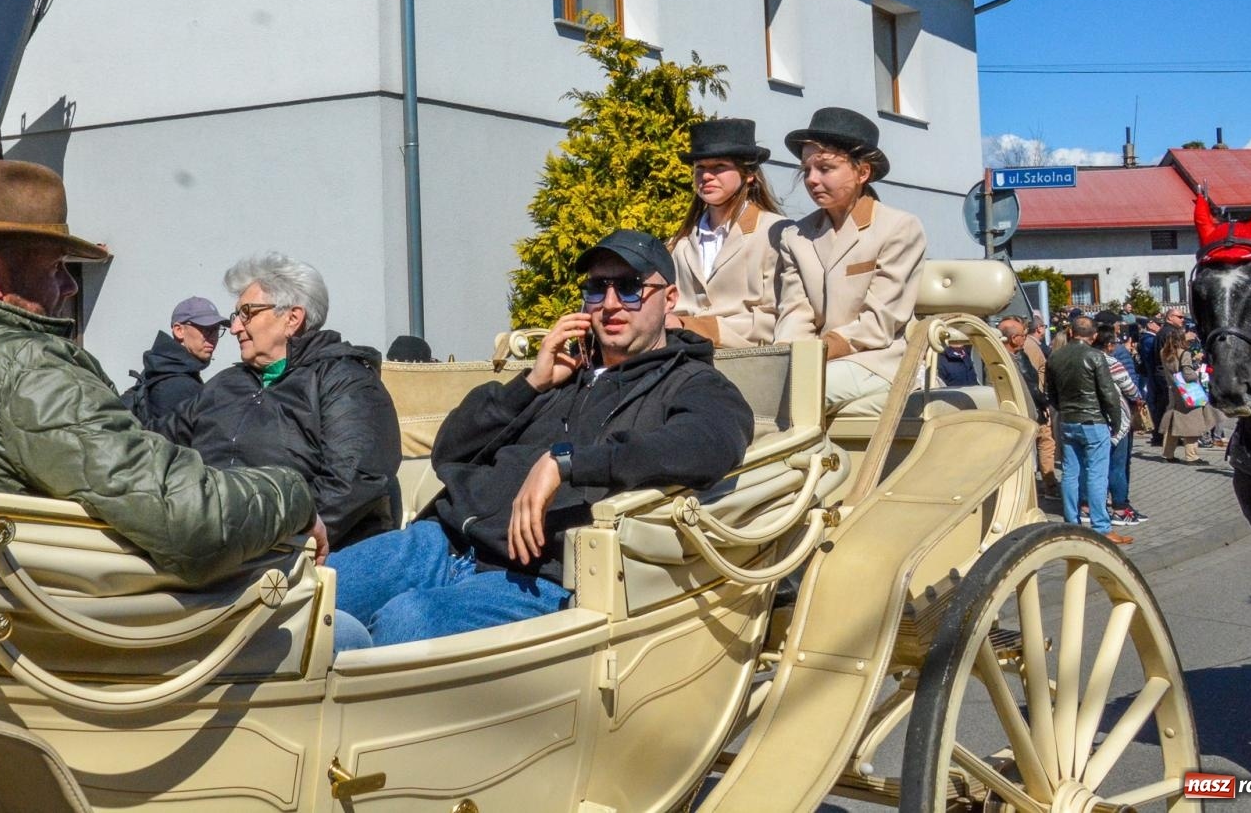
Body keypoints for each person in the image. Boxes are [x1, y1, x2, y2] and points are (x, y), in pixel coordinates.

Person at [0, 160, 328, 587]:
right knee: (350, 618)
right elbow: (188, 520)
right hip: (64, 642)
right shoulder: (28, 370)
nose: (70, 287)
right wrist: (292, 495)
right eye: (56, 268)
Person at [329, 229, 754, 647]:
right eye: (597, 288)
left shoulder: (692, 382)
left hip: (535, 578)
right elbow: (449, 452)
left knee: (404, 623)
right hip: (440, 542)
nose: (610, 304)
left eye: (629, 288)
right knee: (311, 597)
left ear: (669, 298)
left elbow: (706, 444)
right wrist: (530, 382)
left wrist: (565, 463)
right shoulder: (562, 374)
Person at [156, 253, 401, 548]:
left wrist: (278, 535)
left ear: (292, 319)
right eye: (235, 316)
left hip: (299, 553)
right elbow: (159, 446)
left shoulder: (345, 381)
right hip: (205, 541)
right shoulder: (223, 385)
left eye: (246, 313)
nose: (234, 328)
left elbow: (353, 482)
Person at [772, 107, 925, 415]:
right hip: (818, 360)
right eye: (806, 170)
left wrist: (817, 352)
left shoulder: (899, 228)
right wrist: (788, 357)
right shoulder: (795, 237)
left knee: (796, 393)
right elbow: (795, 312)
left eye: (825, 168)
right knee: (768, 389)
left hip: (881, 361)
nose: (812, 179)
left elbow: (879, 323)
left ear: (862, 172)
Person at [667, 118, 785, 348]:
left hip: (747, 358)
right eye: (700, 168)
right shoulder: (679, 244)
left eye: (719, 166)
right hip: (684, 357)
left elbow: (774, 316)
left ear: (749, 174)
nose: (706, 176)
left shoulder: (775, 233)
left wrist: (694, 327)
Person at [1046, 314, 1132, 545]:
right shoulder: (1095, 356)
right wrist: (1116, 420)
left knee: (1070, 472)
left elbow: (1051, 392)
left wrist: (1063, 409)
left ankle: (1072, 523)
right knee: (1096, 474)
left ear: (1071, 332)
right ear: (1094, 336)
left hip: (1068, 420)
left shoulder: (1055, 356)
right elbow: (1108, 392)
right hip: (1093, 420)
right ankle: (1101, 527)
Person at [121, 296, 226, 423]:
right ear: (179, 330)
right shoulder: (181, 385)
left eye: (216, 330)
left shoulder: (159, 366)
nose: (213, 337)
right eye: (206, 329)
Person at [1092, 329, 1147, 526]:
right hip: (1114, 418)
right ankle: (1120, 508)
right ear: (1109, 345)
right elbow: (1130, 388)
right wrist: (1138, 398)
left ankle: (1087, 506)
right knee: (1118, 464)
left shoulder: (1082, 360)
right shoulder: (1110, 362)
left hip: (1088, 417)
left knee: (1091, 466)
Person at [998, 316, 1056, 498]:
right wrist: (1043, 403)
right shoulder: (1005, 361)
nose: (1025, 337)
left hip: (1029, 411)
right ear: (1013, 338)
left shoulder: (1019, 354)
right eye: (1023, 335)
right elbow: (1031, 384)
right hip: (1021, 417)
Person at [1157, 324, 1215, 463]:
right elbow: (1188, 374)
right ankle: (1192, 456)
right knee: (1192, 423)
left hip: (1173, 390)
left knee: (1172, 424)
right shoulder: (1184, 353)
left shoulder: (1163, 352)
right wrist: (1197, 373)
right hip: (1188, 392)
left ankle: (1167, 454)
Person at [1138, 314, 1164, 445]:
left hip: (1152, 375)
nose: (1160, 327)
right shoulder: (1148, 339)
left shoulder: (1152, 338)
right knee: (1154, 403)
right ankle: (1156, 432)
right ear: (1150, 324)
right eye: (1158, 324)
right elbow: (1152, 358)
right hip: (1152, 375)